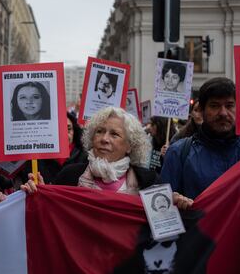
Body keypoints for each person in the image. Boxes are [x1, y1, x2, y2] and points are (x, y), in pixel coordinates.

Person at [21, 107, 192, 209]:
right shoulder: (69, 176)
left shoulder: (149, 181)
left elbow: (164, 233)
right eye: (100, 131)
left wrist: (174, 204)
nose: (104, 139)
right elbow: (52, 218)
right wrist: (42, 195)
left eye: (115, 134)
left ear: (129, 145)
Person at [161, 77, 239, 199]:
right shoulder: (178, 153)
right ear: (202, 110)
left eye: (229, 106)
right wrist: (174, 201)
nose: (223, 113)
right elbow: (161, 210)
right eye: (214, 106)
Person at [21, 112, 88, 184]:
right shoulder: (35, 161)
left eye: (68, 129)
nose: (64, 134)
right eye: (57, 130)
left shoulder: (85, 158)